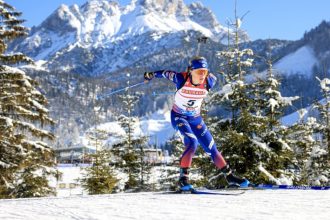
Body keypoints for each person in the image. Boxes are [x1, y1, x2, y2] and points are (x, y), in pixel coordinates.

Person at [144, 56, 250, 191]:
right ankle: (183, 179)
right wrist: (150, 75)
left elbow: (216, 77)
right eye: (199, 72)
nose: (202, 75)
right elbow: (165, 73)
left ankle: (230, 177)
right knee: (192, 143)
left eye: (205, 72)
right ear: (191, 71)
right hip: (179, 117)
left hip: (195, 118)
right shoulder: (181, 78)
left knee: (212, 147)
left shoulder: (209, 81)